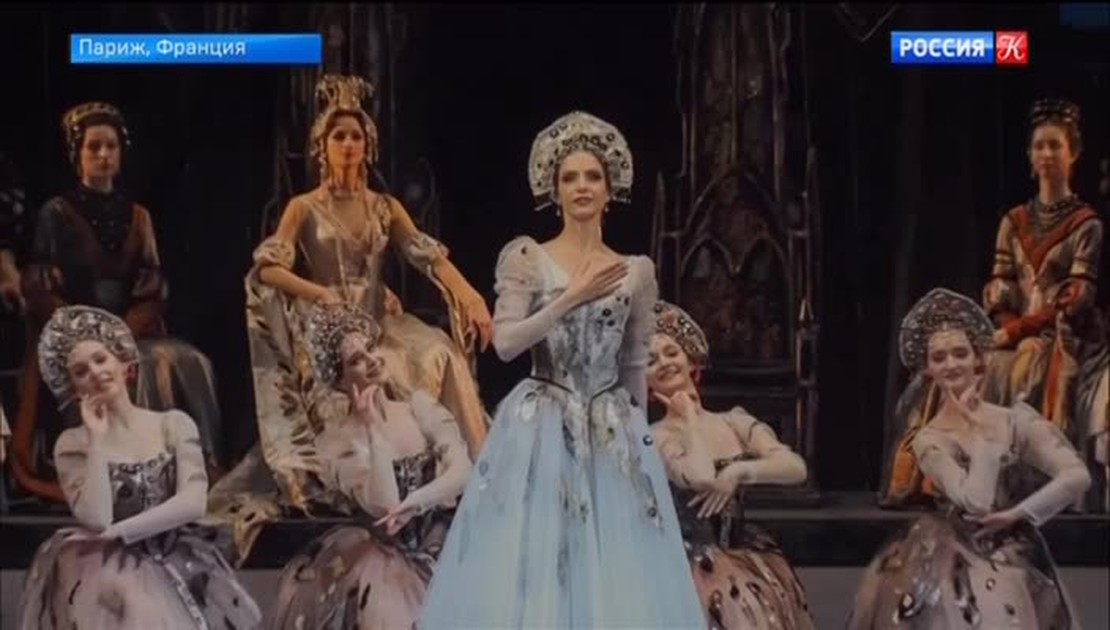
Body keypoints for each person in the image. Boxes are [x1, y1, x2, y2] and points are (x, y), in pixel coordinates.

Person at [419, 111, 705, 628]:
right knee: (538, 555)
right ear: (554, 189)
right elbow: (506, 344)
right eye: (570, 177)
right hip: (543, 421)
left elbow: (634, 360)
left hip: (610, 426)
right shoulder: (528, 257)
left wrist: (639, 440)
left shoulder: (635, 271)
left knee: (617, 557)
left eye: (592, 176)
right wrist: (571, 297)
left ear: (610, 188)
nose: (582, 186)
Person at [881, 99, 1108, 512]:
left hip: (1064, 333)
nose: (1046, 154)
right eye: (1039, 146)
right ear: (1029, 155)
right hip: (1013, 330)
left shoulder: (1086, 224)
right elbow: (1002, 287)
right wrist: (1005, 328)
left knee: (1027, 367)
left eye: (1055, 146)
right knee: (955, 370)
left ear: (1073, 153)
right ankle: (944, 478)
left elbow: (1075, 298)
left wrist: (1018, 333)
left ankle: (1029, 483)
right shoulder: (1013, 221)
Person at [12, 102, 224, 504]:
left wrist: (121, 332)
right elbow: (40, 289)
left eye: (111, 146)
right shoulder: (57, 213)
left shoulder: (139, 217)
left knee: (186, 360)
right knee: (139, 366)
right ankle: (129, 469)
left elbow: (152, 290)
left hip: (130, 330)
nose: (104, 155)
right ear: (77, 155)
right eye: (94, 147)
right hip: (74, 334)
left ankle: (192, 466)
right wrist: (87, 332)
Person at [850, 288, 1090, 629]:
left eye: (960, 353)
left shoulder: (1013, 420)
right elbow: (976, 502)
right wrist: (983, 437)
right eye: (939, 357)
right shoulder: (930, 440)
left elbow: (1076, 476)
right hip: (949, 550)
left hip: (1015, 550)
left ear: (978, 359)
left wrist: (1020, 513)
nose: (951, 364)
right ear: (928, 368)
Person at [17, 305, 261, 629]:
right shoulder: (72, 444)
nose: (95, 373)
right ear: (74, 389)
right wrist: (97, 441)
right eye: (81, 371)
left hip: (174, 553)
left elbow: (193, 502)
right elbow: (97, 518)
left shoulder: (173, 424)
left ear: (123, 363)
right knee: (131, 600)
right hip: (106, 568)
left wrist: (121, 532)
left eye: (100, 359)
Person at [270, 302, 471, 628]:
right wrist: (373, 429)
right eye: (356, 360)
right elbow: (386, 507)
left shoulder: (419, 408)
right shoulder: (336, 442)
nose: (372, 360)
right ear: (339, 380)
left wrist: (417, 501)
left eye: (372, 347)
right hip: (388, 569)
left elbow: (462, 472)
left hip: (445, 547)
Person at [648, 300, 813, 629]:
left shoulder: (733, 421)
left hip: (743, 559)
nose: (664, 363)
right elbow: (701, 476)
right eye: (651, 360)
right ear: (645, 380)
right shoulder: (654, 436)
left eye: (671, 352)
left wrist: (740, 471)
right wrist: (689, 419)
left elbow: (795, 468)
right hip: (683, 565)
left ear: (692, 360)